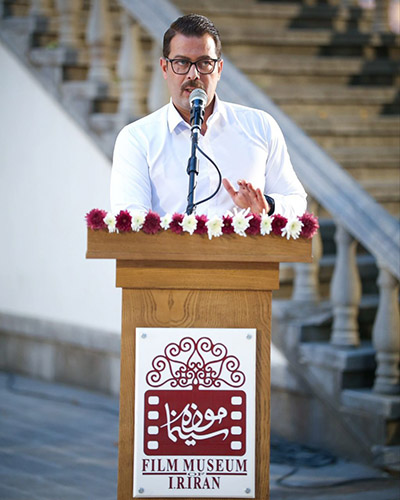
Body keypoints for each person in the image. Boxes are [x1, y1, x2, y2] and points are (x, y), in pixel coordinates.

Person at [111, 14, 307, 218]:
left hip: (246, 250)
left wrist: (267, 205)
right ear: (164, 68)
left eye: (204, 63)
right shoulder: (137, 138)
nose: (193, 75)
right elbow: (130, 219)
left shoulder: (259, 126)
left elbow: (295, 200)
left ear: (219, 69)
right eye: (181, 63)